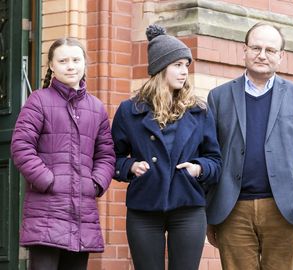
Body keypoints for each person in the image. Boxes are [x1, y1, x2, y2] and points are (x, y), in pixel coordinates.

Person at [206, 22, 293, 270]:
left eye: (270, 50)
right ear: (244, 50)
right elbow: (210, 153)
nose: (262, 55)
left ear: (281, 56)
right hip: (232, 209)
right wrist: (211, 204)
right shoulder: (218, 97)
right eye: (256, 47)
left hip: (284, 208)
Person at [111, 24, 222, 270]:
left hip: (188, 205)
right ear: (161, 68)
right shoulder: (130, 111)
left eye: (186, 66)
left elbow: (215, 160)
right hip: (144, 207)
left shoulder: (199, 110)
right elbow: (111, 158)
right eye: (178, 65)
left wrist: (198, 169)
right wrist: (130, 166)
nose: (184, 72)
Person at [10, 37, 115, 270]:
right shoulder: (38, 100)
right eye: (63, 60)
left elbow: (106, 155)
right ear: (51, 66)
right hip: (46, 213)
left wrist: (95, 184)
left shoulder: (96, 108)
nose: (71, 66)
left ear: (84, 64)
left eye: (76, 60)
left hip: (82, 216)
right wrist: (48, 181)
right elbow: (21, 146)